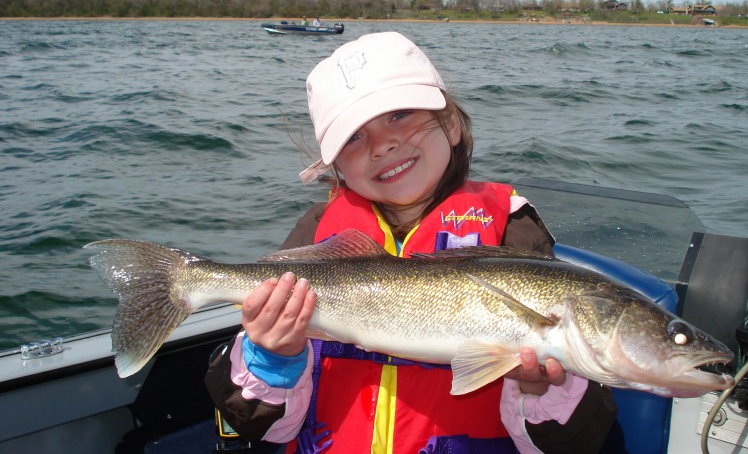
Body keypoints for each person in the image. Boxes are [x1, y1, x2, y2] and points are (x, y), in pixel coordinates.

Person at [206, 32, 617, 454]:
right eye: (353, 137)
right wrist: (273, 358)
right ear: (336, 166)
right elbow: (267, 431)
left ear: (452, 123)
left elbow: (572, 443)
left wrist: (543, 389)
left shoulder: (513, 230)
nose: (383, 143)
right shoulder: (315, 231)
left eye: (400, 114)